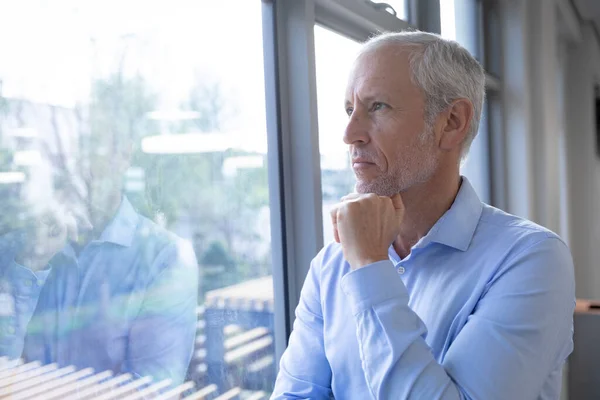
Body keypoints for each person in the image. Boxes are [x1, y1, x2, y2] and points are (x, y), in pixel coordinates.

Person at [271, 31, 574, 400]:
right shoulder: (331, 265)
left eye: (377, 106)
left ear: (451, 123)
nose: (350, 134)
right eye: (350, 110)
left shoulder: (532, 259)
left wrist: (370, 267)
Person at [0, 133, 199, 386]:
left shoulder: (166, 258)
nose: (80, 164)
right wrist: (30, 262)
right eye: (68, 150)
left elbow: (151, 391)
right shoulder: (14, 250)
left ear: (124, 156)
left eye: (95, 145)